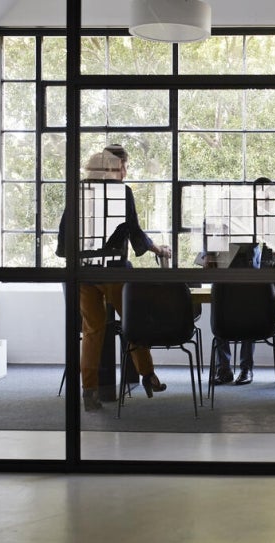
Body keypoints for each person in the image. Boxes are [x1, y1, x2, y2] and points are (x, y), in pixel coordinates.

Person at [56, 144, 172, 412]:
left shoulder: (79, 192)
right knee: (134, 323)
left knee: (92, 332)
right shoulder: (122, 192)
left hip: (84, 272)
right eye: (124, 165)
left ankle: (89, 392)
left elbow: (65, 234)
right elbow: (133, 230)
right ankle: (147, 374)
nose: (126, 170)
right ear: (112, 167)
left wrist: (75, 260)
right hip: (114, 271)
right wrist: (158, 249)